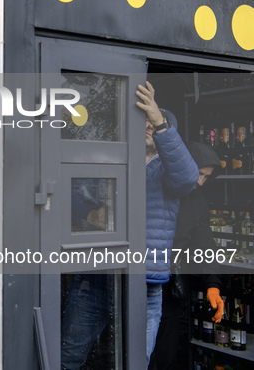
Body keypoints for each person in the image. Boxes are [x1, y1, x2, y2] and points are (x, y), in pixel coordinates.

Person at [61, 81, 198, 369]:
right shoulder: (111, 161)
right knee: (68, 358)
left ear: (166, 133)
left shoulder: (169, 171)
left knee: (135, 362)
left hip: (145, 283)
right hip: (96, 276)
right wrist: (89, 215)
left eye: (157, 122)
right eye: (145, 120)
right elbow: (69, 195)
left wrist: (159, 120)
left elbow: (188, 178)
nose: (150, 125)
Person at [148, 141, 223, 370]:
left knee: (165, 352)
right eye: (199, 174)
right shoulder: (154, 187)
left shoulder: (198, 201)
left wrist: (213, 284)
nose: (200, 182)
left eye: (207, 177)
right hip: (139, 278)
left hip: (170, 285)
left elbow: (205, 243)